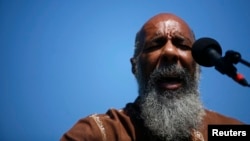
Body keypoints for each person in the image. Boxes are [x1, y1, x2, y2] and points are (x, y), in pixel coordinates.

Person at [60, 13, 244, 141]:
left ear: (198, 65)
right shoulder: (97, 133)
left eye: (182, 44)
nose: (170, 52)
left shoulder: (228, 131)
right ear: (135, 67)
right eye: (155, 45)